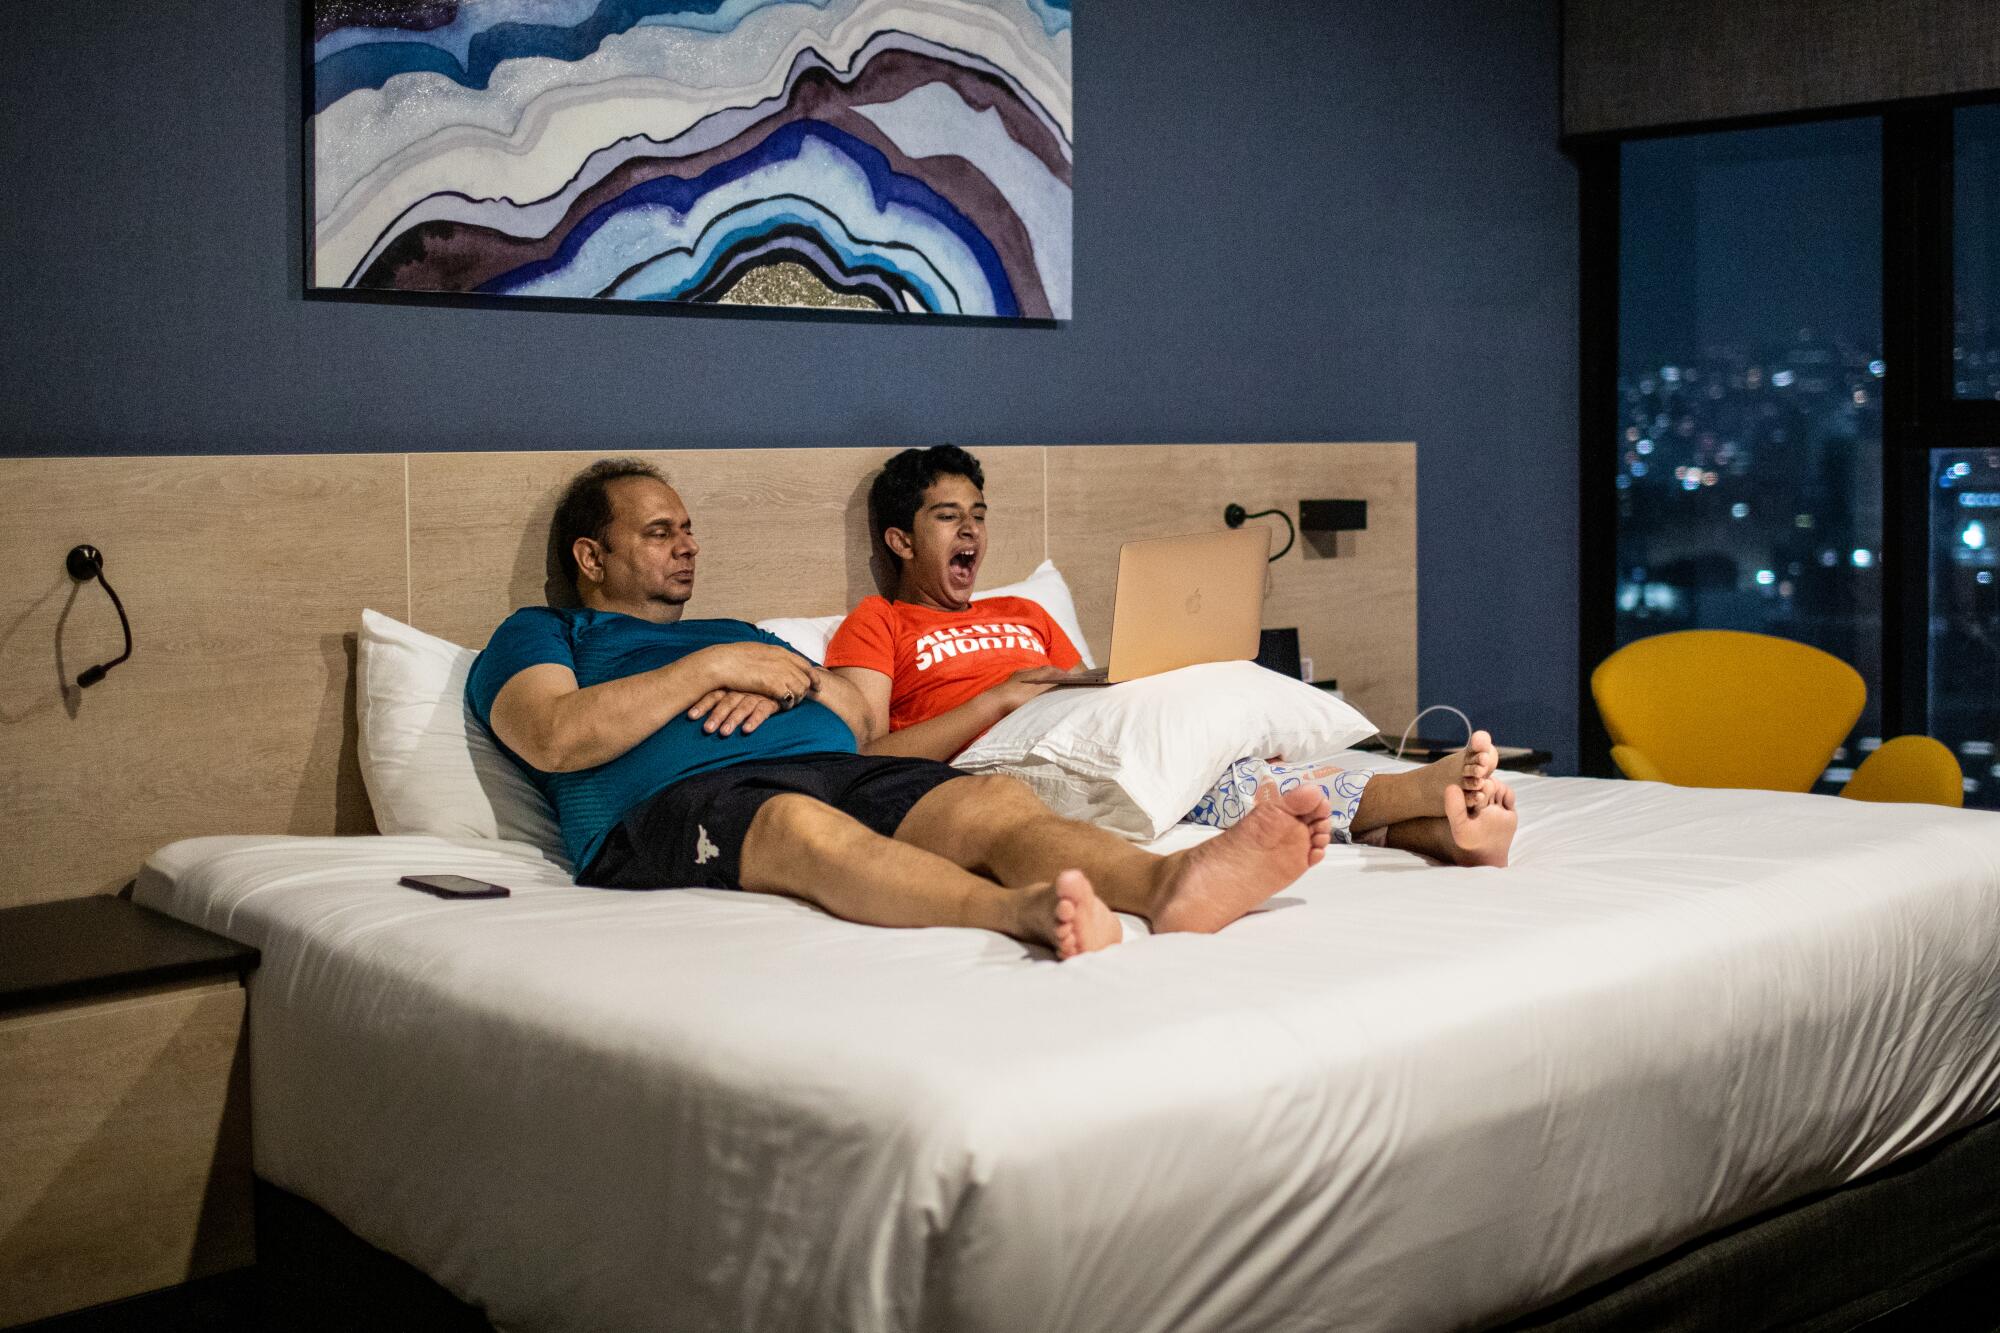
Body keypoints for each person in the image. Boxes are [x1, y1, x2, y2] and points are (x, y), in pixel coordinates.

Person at [467, 458, 1339, 962]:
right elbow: (554, 735)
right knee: (796, 828)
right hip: (678, 806)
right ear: (591, 553)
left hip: (833, 763)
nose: (688, 544)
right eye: (661, 531)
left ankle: (1170, 883)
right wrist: (713, 667)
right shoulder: (544, 631)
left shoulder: (741, 631)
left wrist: (781, 677)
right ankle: (1014, 912)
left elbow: (853, 711)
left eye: (689, 527)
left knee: (989, 802)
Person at [825, 446, 1518, 866]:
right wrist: (996, 698)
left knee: (1219, 763)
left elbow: (1097, 691)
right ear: (901, 540)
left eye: (978, 512)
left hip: (1076, 731)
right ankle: (1416, 792)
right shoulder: (878, 621)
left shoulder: (1026, 612)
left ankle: (1436, 834)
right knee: (1218, 784)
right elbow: (865, 757)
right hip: (998, 763)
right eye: (948, 516)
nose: (971, 528)